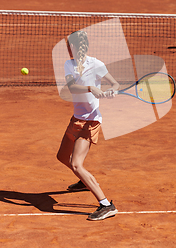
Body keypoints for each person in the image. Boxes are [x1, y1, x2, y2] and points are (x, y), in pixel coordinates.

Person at [56, 30, 120, 221]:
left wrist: (111, 91)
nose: (68, 50)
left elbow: (115, 84)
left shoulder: (97, 64)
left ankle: (106, 205)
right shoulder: (70, 64)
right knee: (62, 157)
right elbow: (72, 88)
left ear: (75, 47)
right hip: (77, 118)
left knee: (76, 164)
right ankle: (85, 180)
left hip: (91, 121)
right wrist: (92, 88)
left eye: (69, 46)